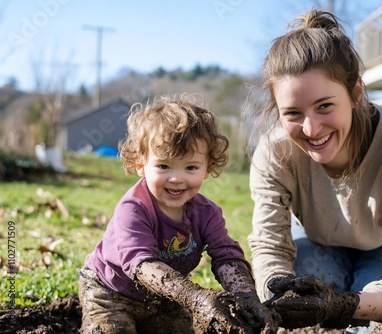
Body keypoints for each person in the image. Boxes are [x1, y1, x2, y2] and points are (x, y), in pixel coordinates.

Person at [245, 10, 382, 334]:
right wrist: (279, 297)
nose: (311, 129)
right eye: (293, 113)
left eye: (325, 106)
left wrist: (346, 307)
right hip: (315, 241)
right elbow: (271, 247)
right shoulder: (274, 153)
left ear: (355, 93)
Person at [79, 94, 279, 334]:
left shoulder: (207, 214)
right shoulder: (133, 209)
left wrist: (247, 298)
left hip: (163, 300)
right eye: (164, 166)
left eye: (191, 167)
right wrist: (197, 298)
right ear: (141, 164)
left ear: (208, 168)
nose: (176, 178)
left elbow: (226, 256)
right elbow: (141, 264)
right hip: (110, 292)